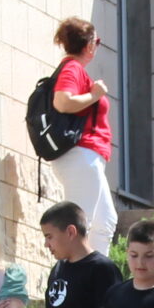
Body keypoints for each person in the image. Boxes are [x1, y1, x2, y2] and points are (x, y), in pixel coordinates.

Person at [47, 15, 120, 247]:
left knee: (105, 221)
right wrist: (95, 95)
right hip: (81, 155)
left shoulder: (74, 69)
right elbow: (62, 101)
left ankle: (96, 269)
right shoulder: (73, 69)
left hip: (86, 157)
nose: (96, 47)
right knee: (79, 224)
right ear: (89, 45)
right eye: (96, 42)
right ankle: (75, 268)